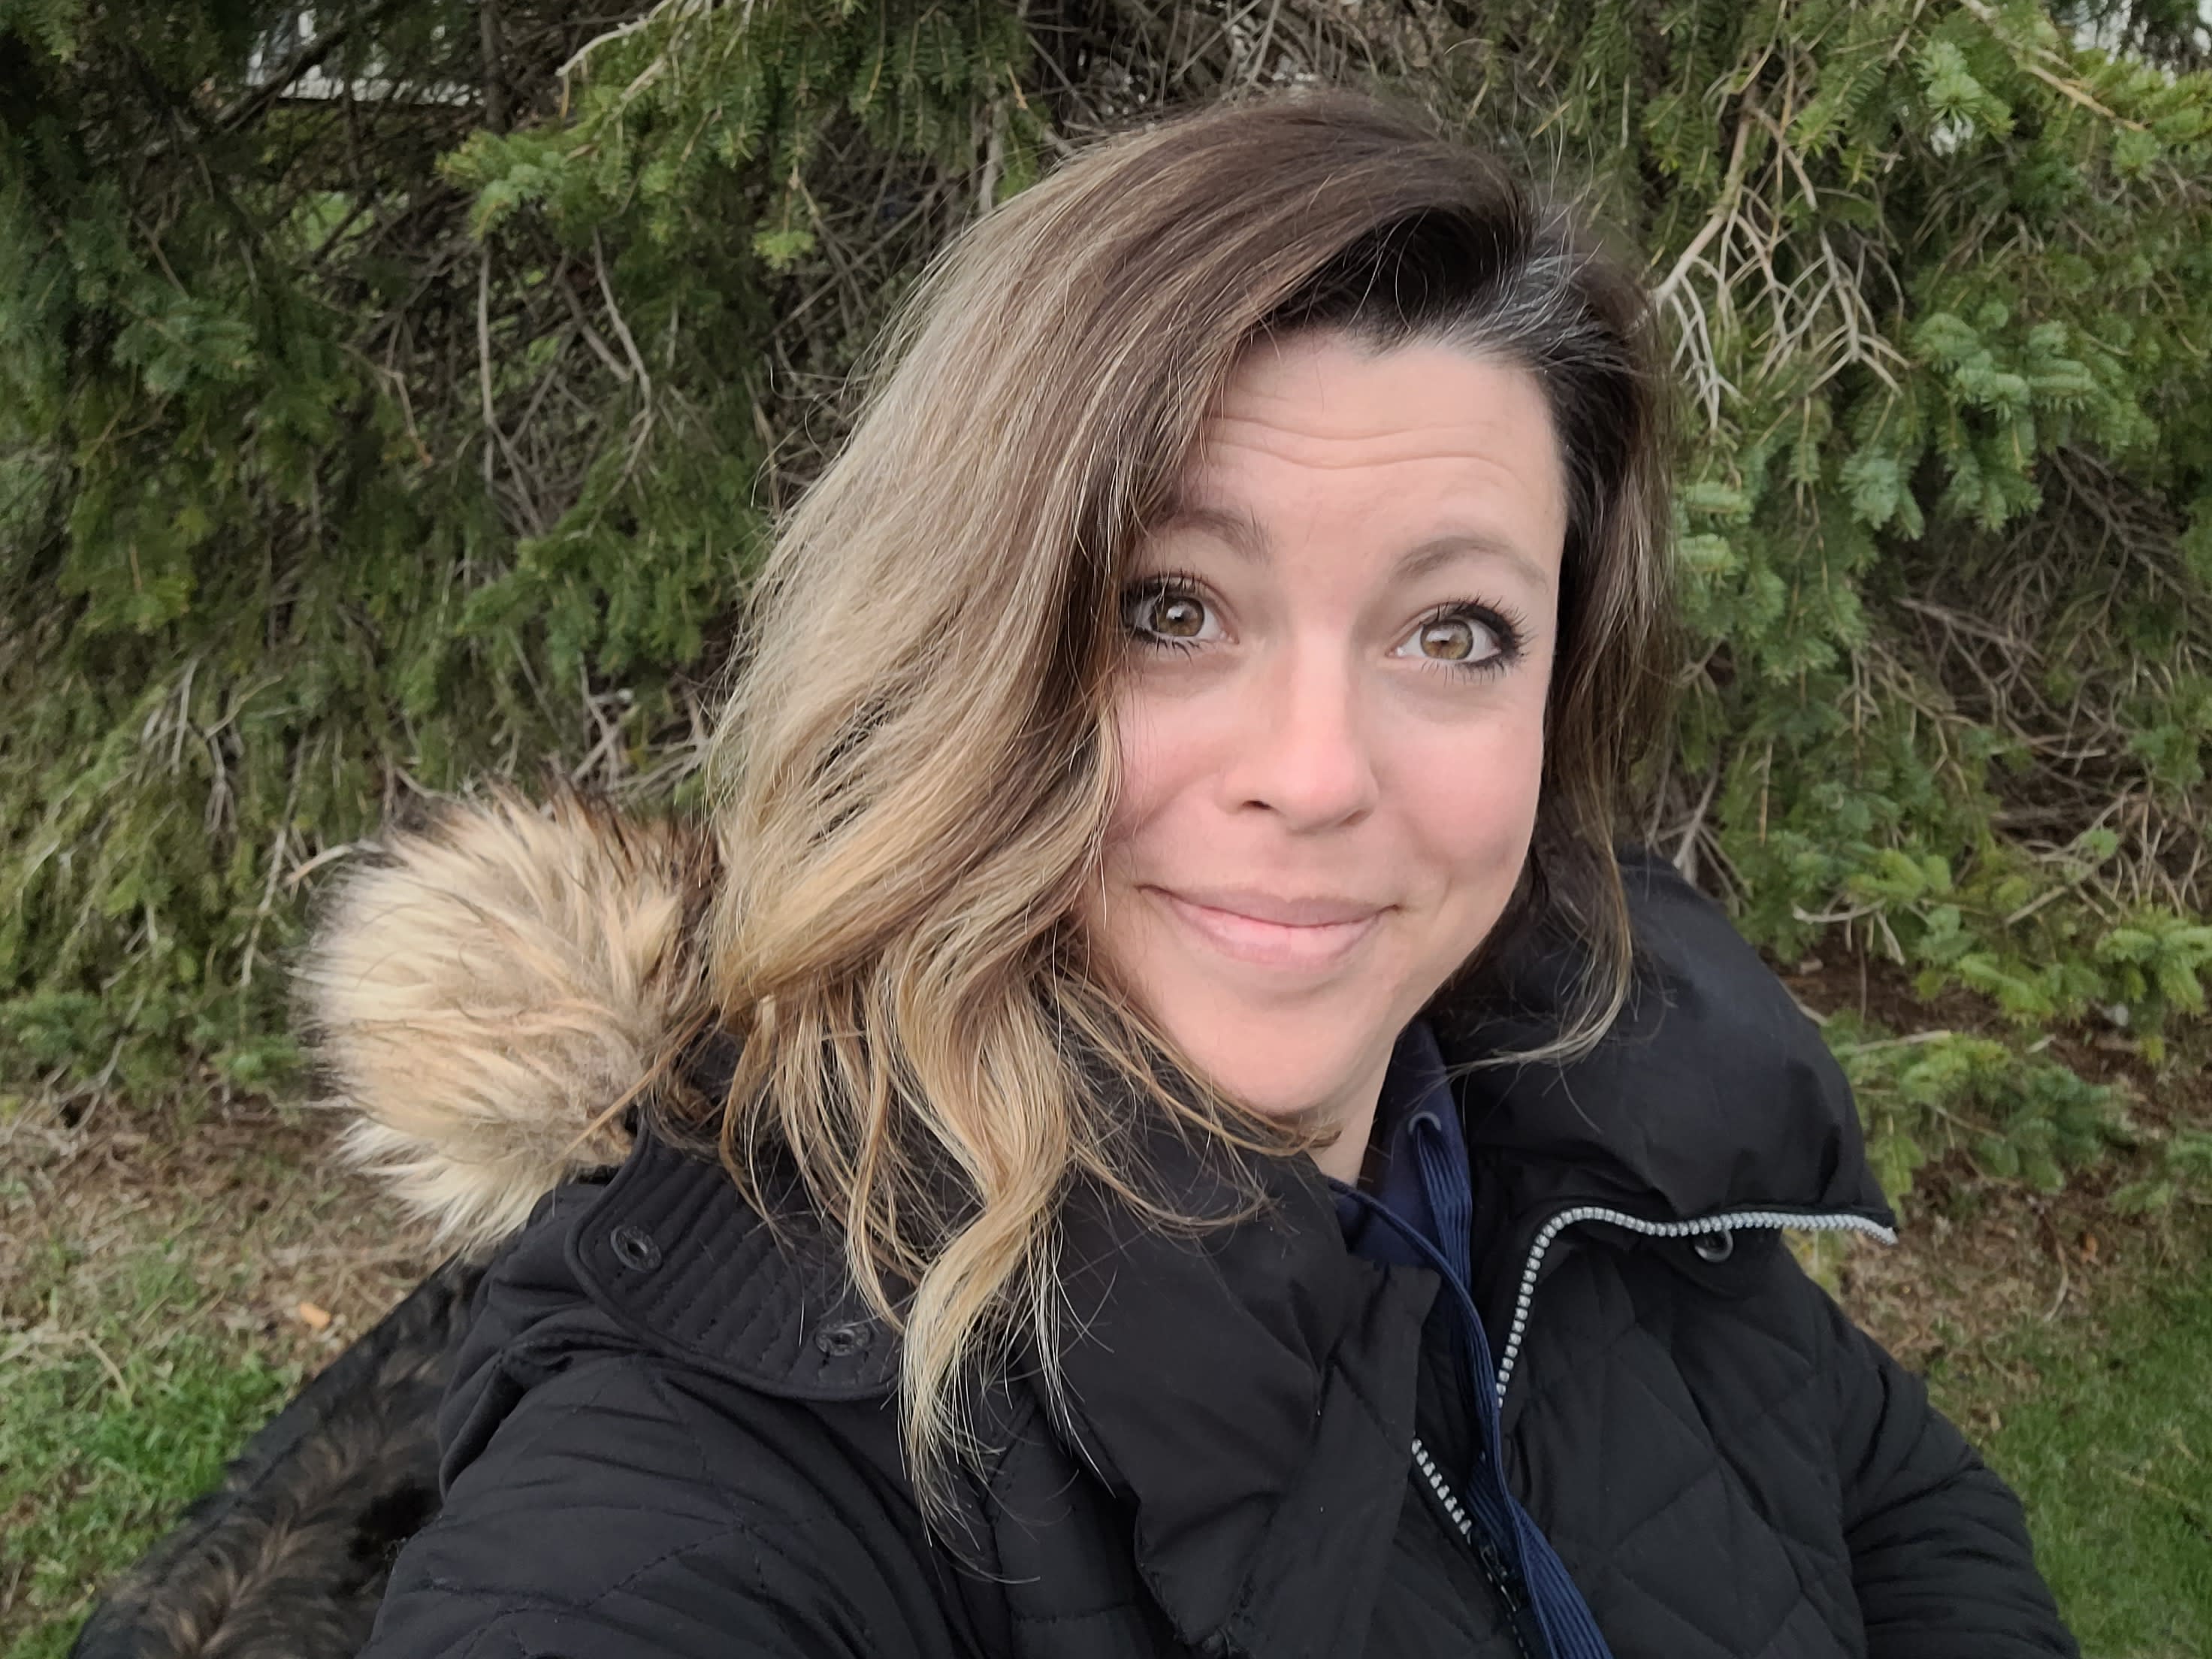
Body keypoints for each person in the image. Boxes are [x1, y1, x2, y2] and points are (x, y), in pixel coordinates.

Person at [304, 89, 2079, 1658]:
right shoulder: (728, 1425)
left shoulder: (1574, 1086)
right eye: (1169, 610)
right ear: (953, 649)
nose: (1314, 777)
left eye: (1455, 630)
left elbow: (1882, 1493)